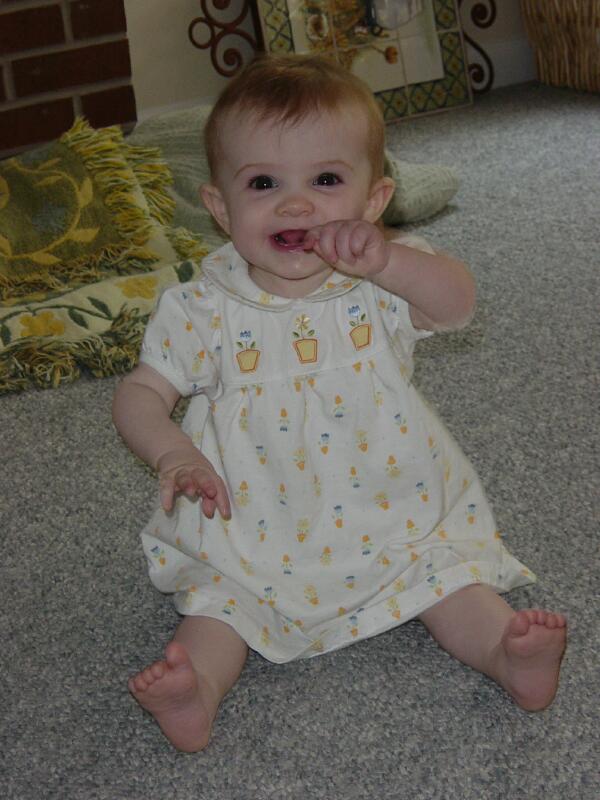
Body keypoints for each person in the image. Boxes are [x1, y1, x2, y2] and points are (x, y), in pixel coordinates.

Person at [112, 54, 566, 752]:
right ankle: (196, 689)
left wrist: (388, 259)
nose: (296, 205)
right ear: (220, 208)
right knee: (222, 604)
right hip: (253, 522)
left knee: (443, 577)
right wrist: (174, 452)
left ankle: (506, 653)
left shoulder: (379, 279)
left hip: (393, 508)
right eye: (263, 183)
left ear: (374, 201)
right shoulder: (199, 307)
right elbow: (140, 393)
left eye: (325, 180)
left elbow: (458, 306)